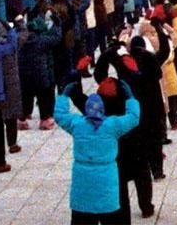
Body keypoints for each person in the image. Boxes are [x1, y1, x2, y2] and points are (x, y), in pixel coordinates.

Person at [54, 78, 141, 225]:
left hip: (82, 186)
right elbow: (133, 118)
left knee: (82, 219)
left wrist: (63, 96)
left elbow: (60, 115)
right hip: (107, 184)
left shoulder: (77, 124)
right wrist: (130, 98)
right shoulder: (112, 125)